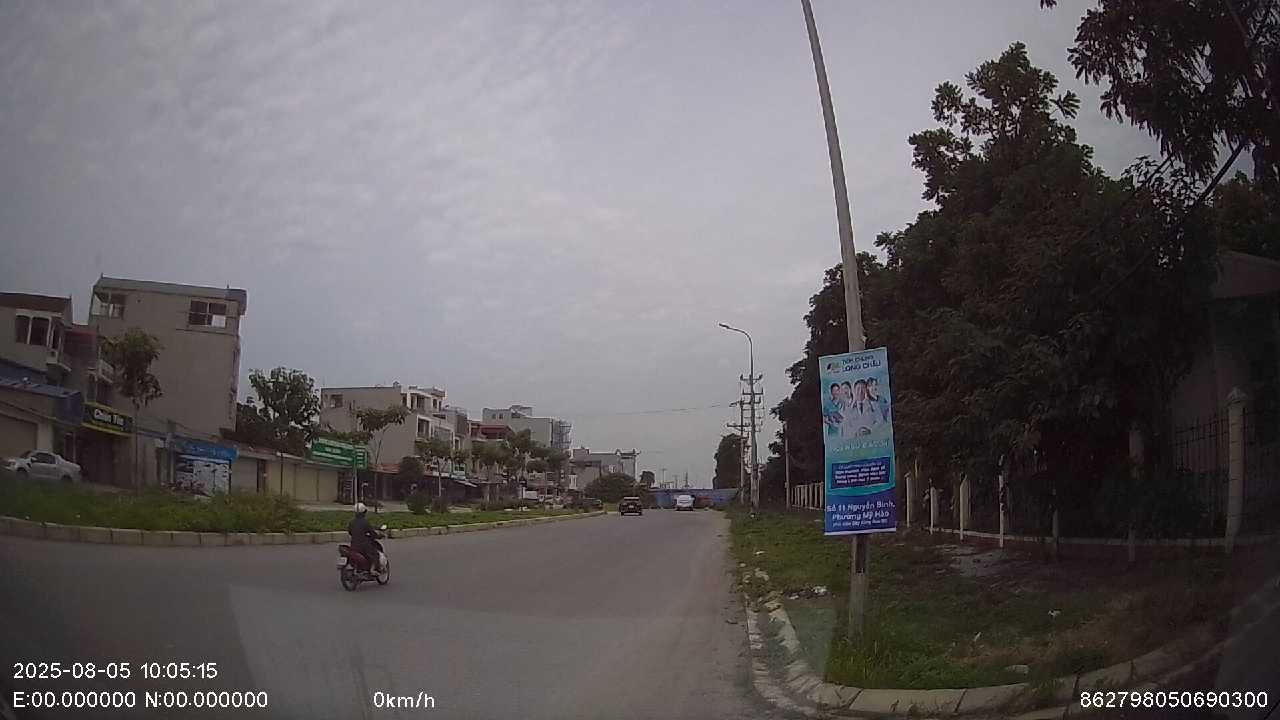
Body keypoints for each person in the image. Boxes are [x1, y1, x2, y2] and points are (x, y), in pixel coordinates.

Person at [347, 502, 382, 572]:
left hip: (353, 545)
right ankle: (372, 569)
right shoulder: (365, 522)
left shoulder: (351, 522)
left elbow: (350, 532)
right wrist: (379, 536)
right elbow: (372, 533)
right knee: (375, 554)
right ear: (364, 512)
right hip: (364, 546)